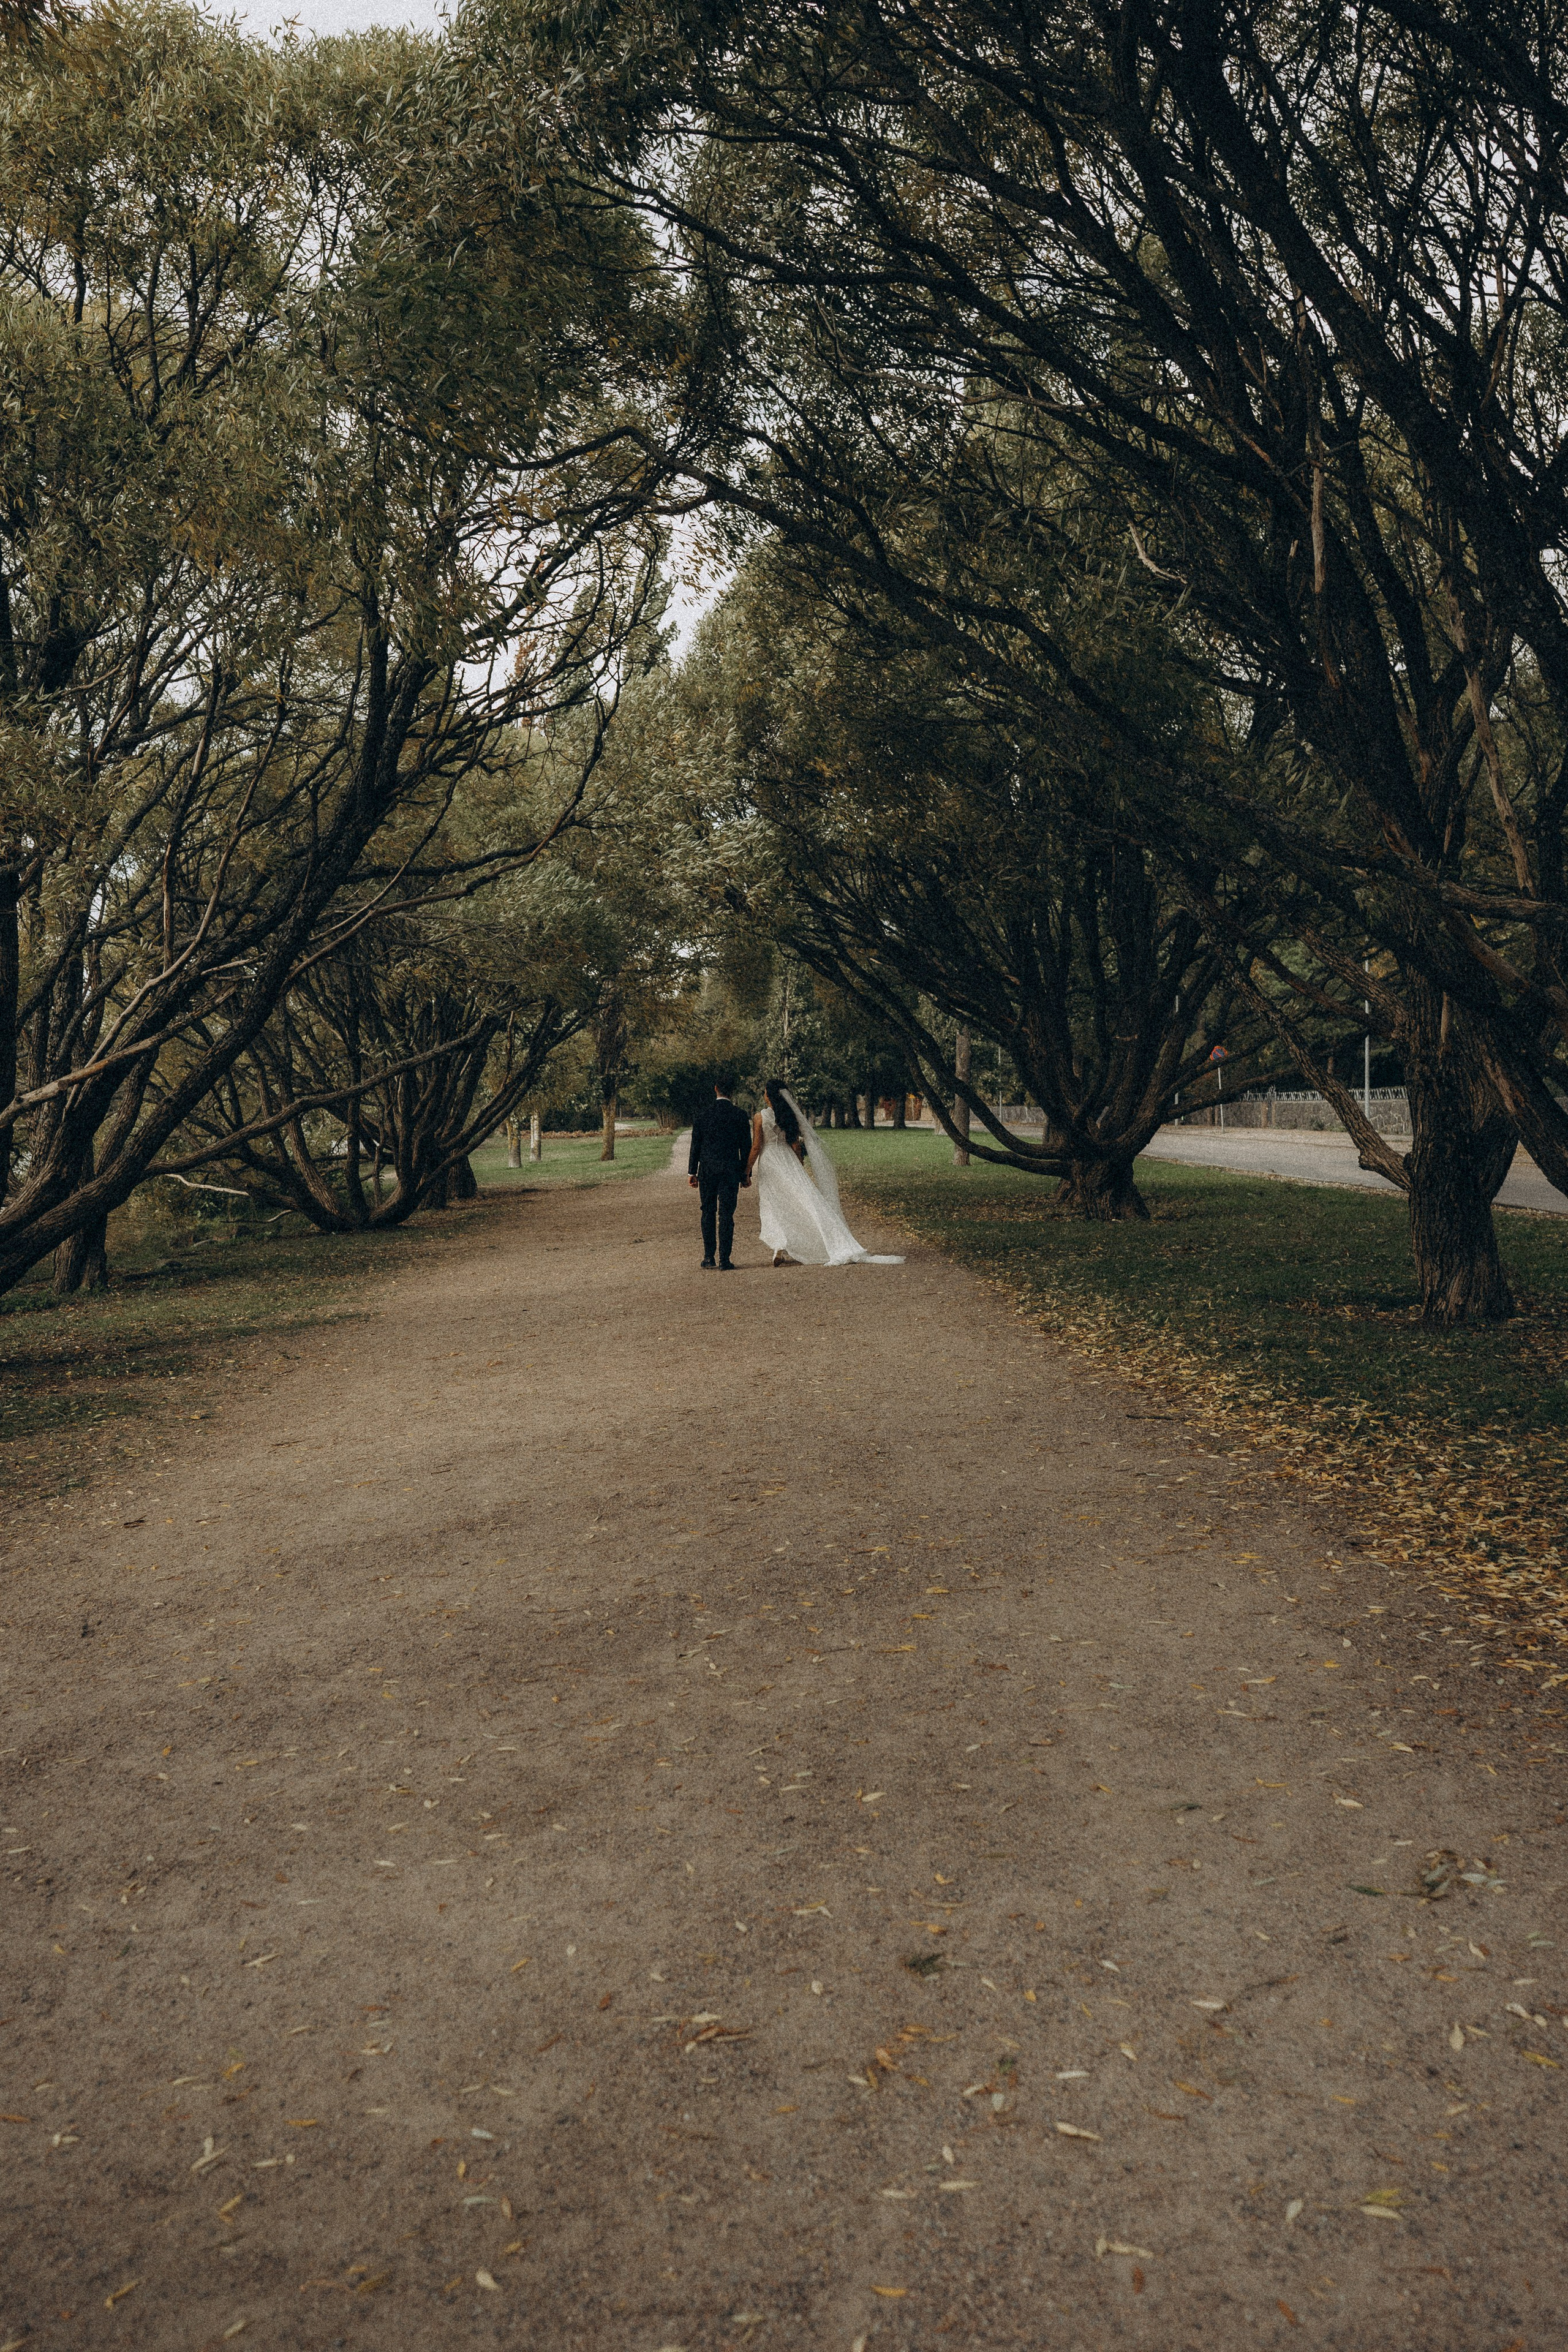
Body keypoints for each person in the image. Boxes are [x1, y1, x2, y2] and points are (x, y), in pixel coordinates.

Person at [747, 1078, 903, 1267]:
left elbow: (756, 1147)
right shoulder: (789, 1115)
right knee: (804, 1201)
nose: (764, 1095)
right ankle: (805, 1242)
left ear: (769, 1095)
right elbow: (795, 1145)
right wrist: (798, 1167)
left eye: (765, 1092)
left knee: (773, 1203)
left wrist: (746, 1171)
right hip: (788, 1160)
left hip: (770, 1162)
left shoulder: (760, 1117)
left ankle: (779, 1248)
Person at [688, 1077, 752, 1270]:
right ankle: (725, 1259)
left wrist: (692, 1172)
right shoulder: (740, 1115)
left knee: (707, 1211)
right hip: (731, 1171)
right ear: (732, 1092)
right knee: (727, 1214)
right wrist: (746, 1174)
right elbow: (746, 1147)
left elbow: (696, 1145)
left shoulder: (703, 1115)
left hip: (707, 1170)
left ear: (715, 1089)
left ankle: (709, 1257)